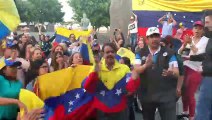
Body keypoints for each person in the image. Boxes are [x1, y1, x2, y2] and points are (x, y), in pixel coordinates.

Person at [83, 43, 140, 120]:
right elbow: (88, 87)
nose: (110, 54)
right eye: (107, 52)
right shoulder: (96, 67)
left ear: (115, 53)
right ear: (103, 54)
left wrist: (135, 76)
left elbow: (130, 88)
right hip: (102, 110)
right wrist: (95, 72)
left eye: (112, 52)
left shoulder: (124, 68)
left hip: (120, 110)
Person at [135, 27, 179, 120]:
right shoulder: (140, 52)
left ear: (160, 37)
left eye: (156, 36)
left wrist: (171, 73)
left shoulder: (169, 52)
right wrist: (146, 66)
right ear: (147, 39)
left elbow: (177, 72)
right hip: (147, 95)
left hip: (166, 96)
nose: (154, 39)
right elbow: (136, 70)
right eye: (151, 36)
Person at [178, 21, 209, 120]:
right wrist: (184, 44)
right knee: (183, 91)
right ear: (192, 29)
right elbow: (180, 52)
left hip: (196, 68)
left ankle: (192, 116)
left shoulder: (206, 41)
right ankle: (185, 112)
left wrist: (190, 43)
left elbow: (199, 55)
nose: (197, 30)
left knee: (190, 93)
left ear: (203, 30)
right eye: (195, 28)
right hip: (185, 67)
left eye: (200, 28)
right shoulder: (189, 39)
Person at [189, 10, 212, 120]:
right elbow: (206, 55)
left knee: (203, 110)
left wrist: (204, 68)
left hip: (209, 77)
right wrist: (191, 57)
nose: (205, 24)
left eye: (206, 22)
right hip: (206, 76)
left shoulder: (206, 39)